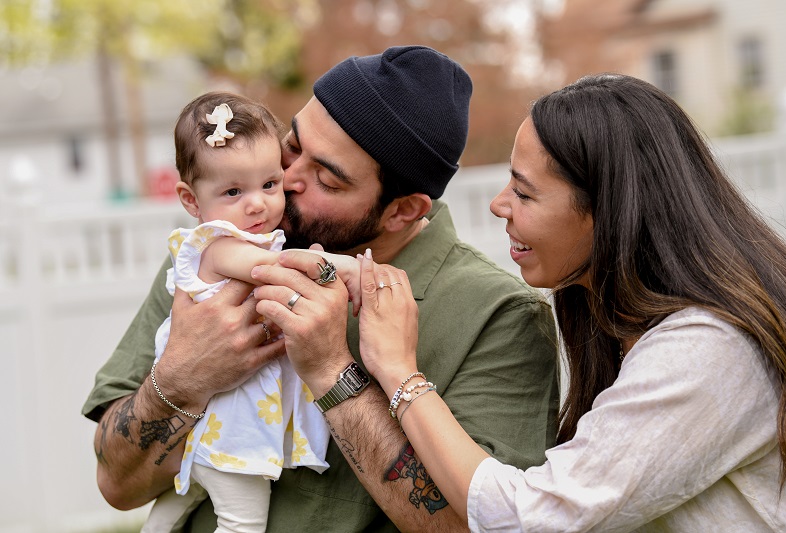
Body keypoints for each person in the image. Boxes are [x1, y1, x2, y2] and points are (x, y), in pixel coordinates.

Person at [262, 73, 786, 531]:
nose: (499, 205)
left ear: (607, 212)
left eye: (523, 192)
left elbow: (529, 518)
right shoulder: (615, 321)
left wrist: (397, 375)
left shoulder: (708, 350)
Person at [82, 46, 560, 531]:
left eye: (326, 179)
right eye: (292, 145)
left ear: (403, 211)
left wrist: (333, 372)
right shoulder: (225, 252)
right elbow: (117, 485)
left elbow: (479, 525)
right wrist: (184, 378)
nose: (284, 181)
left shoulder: (500, 317)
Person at [141, 91, 362, 533]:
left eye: (269, 184)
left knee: (172, 509)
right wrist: (343, 267)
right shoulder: (216, 244)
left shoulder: (252, 238)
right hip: (232, 431)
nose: (257, 203)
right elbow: (270, 269)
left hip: (215, 426)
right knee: (243, 522)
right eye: (233, 191)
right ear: (190, 199)